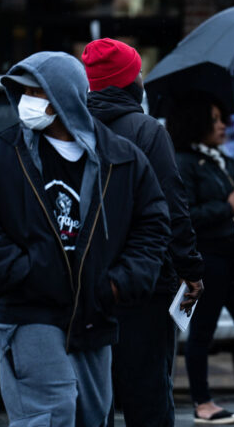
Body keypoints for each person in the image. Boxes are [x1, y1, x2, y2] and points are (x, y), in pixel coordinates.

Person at [0, 51, 171, 427]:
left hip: (94, 311)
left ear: (63, 95)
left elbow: (152, 224)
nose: (27, 103)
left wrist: (120, 283)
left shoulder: (121, 158)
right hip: (29, 309)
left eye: (35, 93)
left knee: (91, 414)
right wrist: (20, 272)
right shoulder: (2, 154)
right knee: (52, 412)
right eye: (22, 92)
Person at [81, 38, 205, 427]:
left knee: (91, 394)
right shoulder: (148, 132)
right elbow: (172, 207)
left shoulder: (71, 129)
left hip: (82, 283)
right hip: (143, 285)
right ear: (130, 83)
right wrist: (190, 268)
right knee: (147, 392)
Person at [167, 92, 234, 425]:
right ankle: (202, 402)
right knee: (202, 331)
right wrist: (227, 208)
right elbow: (187, 214)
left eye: (221, 118)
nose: (221, 125)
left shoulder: (224, 159)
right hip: (208, 258)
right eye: (213, 119)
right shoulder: (184, 162)